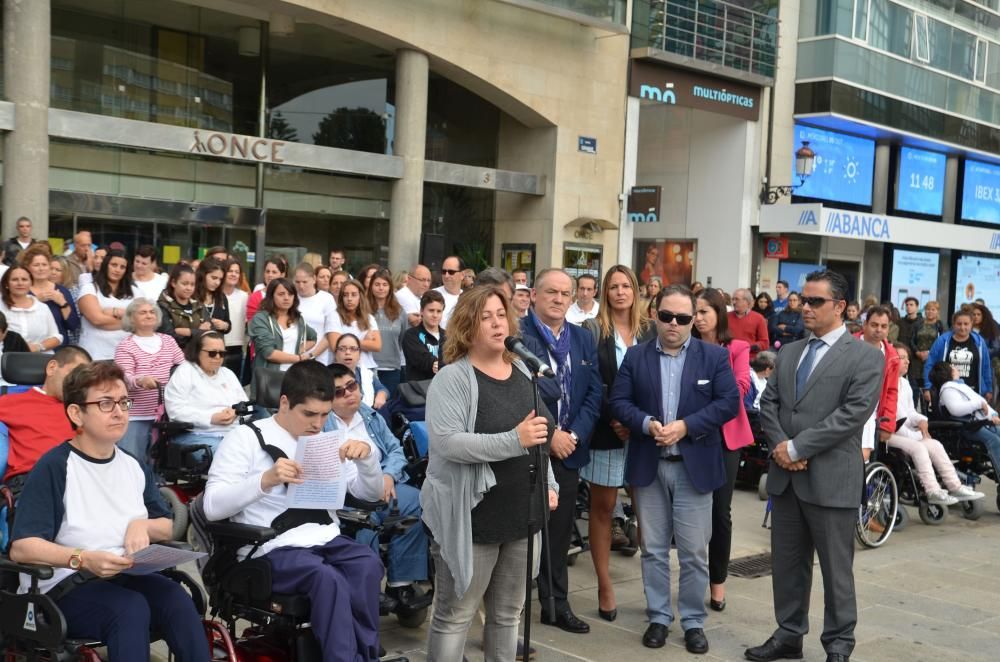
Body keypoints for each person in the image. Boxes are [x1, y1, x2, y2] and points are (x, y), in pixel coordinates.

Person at [8, 361, 209, 662]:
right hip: (64, 585)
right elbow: (22, 549)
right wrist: (83, 558)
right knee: (128, 608)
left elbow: (167, 526)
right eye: (105, 403)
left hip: (123, 574)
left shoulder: (132, 464)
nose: (119, 412)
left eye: (123, 402)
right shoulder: (54, 467)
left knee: (175, 598)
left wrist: (142, 526)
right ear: (76, 413)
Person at [204, 360, 385, 661]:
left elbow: (371, 494)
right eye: (309, 414)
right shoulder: (245, 438)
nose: (317, 423)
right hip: (270, 547)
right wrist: (265, 480)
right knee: (326, 579)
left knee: (367, 563)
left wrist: (367, 460)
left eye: (325, 414)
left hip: (324, 539)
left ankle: (366, 656)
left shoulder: (328, 439)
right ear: (285, 402)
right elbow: (211, 507)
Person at [745, 269, 883, 662]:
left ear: (839, 307)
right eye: (804, 300)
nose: (805, 307)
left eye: (814, 301)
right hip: (787, 478)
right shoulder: (789, 351)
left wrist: (799, 446)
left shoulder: (865, 357)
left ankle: (839, 645)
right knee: (788, 566)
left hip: (832, 479)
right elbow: (768, 404)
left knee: (837, 572)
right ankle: (789, 635)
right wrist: (782, 447)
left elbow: (852, 414)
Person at [421, 285, 557, 661]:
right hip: (472, 517)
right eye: (486, 317)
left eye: (501, 315)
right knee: (455, 616)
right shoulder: (452, 379)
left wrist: (551, 482)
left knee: (507, 614)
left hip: (521, 513)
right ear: (466, 326)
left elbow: (541, 434)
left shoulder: (521, 372)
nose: (498, 324)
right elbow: (448, 443)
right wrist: (514, 440)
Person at [609, 285, 739, 654]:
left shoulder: (713, 357)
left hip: (693, 467)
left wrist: (686, 426)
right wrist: (647, 423)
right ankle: (659, 616)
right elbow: (618, 401)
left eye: (684, 318)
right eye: (667, 316)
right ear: (655, 313)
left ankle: (694, 621)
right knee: (651, 549)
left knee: (695, 551)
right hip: (649, 465)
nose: (674, 324)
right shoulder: (635, 357)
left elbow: (728, 403)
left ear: (693, 320)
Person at [521, 268, 602, 635]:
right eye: (550, 291)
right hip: (527, 448)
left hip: (569, 449)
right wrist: (551, 434)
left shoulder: (583, 339)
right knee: (521, 533)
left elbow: (594, 391)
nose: (558, 298)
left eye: (565, 293)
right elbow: (519, 393)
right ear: (534, 295)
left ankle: (556, 605)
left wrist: (574, 435)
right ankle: (513, 610)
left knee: (559, 533)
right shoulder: (517, 337)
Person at [322, 362, 430, 609]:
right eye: (339, 391)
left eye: (352, 386)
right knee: (364, 519)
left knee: (421, 502)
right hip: (345, 493)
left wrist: (389, 475)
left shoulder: (370, 416)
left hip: (383, 485)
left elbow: (395, 450)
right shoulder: (323, 423)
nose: (349, 393)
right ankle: (367, 586)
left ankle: (400, 584)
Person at [580, 265, 654, 621]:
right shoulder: (593, 330)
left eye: (626, 285)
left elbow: (659, 380)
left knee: (648, 508)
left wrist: (636, 419)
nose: (620, 292)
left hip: (643, 431)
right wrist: (617, 416)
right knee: (603, 508)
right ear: (604, 293)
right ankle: (604, 585)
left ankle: (653, 586)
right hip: (607, 429)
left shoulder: (650, 330)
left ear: (636, 290)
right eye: (613, 286)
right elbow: (589, 380)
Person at [691, 288, 754, 614]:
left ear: (719, 313)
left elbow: (741, 387)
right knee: (688, 512)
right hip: (689, 436)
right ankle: (691, 580)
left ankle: (718, 585)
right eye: (695, 312)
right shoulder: (684, 345)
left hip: (726, 438)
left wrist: (707, 384)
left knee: (720, 513)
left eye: (705, 312)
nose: (699, 318)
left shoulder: (737, 347)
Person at [889, 345, 983, 504]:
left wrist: (922, 420)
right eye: (901, 358)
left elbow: (910, 413)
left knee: (936, 445)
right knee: (919, 447)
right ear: (891, 360)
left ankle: (955, 487)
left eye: (907, 358)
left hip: (907, 433)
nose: (907, 362)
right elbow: (899, 419)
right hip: (889, 433)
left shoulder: (904, 384)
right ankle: (932, 490)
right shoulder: (887, 384)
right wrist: (919, 435)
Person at [0, 346, 91, 491]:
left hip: (82, 480)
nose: (77, 385)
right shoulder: (12, 402)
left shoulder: (84, 409)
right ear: (52, 368)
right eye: (73, 375)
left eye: (83, 381)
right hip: (34, 481)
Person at [114, 298, 185, 459]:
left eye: (152, 312)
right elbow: (124, 378)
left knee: (158, 464)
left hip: (166, 415)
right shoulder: (126, 346)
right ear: (131, 318)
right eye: (143, 312)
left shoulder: (168, 340)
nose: (149, 315)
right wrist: (140, 381)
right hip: (135, 415)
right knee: (132, 461)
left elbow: (184, 367)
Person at [164, 330, 246, 455]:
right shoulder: (185, 372)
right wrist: (211, 418)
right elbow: (175, 411)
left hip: (234, 433)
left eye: (222, 353)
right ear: (197, 351)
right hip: (197, 434)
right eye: (212, 353)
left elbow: (246, 405)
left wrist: (236, 412)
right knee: (231, 457)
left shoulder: (227, 373)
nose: (218, 357)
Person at [931, 361, 1000, 482]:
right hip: (966, 427)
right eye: (953, 367)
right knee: (993, 440)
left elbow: (982, 403)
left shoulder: (959, 386)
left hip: (978, 423)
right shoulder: (947, 389)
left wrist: (993, 415)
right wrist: (979, 405)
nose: (956, 368)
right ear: (948, 372)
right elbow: (956, 410)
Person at [248, 278, 318, 384]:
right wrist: (298, 358)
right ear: (271, 296)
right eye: (281, 294)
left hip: (293, 377)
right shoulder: (261, 318)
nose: (286, 298)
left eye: (290, 294)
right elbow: (268, 353)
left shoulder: (297, 318)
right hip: (269, 380)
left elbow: (313, 338)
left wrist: (296, 349)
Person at [855, 306, 900, 463]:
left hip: (870, 412)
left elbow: (892, 391)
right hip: (842, 407)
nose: (878, 330)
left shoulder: (892, 356)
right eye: (874, 325)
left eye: (883, 326)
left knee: (863, 456)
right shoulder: (848, 345)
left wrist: (887, 424)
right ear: (865, 324)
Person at [923, 308, 992, 402]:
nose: (962, 327)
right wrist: (927, 387)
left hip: (973, 392)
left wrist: (988, 389)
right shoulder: (942, 341)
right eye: (959, 324)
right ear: (954, 325)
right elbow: (930, 364)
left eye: (966, 324)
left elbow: (986, 367)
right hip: (947, 392)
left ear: (971, 324)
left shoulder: (979, 342)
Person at [76, 249, 134, 360]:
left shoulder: (136, 292)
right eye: (114, 265)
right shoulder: (89, 288)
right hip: (95, 355)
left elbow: (142, 321)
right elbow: (97, 320)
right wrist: (130, 320)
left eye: (122, 267)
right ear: (106, 265)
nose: (117, 270)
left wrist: (112, 312)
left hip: (126, 357)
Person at [22, 243, 80, 347]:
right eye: (36, 265)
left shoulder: (62, 291)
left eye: (44, 265)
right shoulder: (23, 290)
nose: (41, 268)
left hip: (59, 350)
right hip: (30, 348)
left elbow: (73, 325)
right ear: (28, 268)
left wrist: (63, 303)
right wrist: (35, 301)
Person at [0, 265, 63, 352]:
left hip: (38, 360)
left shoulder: (42, 308)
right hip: (5, 359)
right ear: (6, 284)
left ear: (31, 283)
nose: (20, 283)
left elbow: (56, 337)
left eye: (24, 279)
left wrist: (38, 347)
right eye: (15, 279)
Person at [157, 263, 210, 349]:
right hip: (174, 358)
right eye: (185, 284)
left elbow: (211, 330)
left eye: (192, 284)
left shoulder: (198, 305)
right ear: (173, 283)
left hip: (198, 357)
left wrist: (187, 332)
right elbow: (170, 338)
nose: (189, 288)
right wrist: (199, 332)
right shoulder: (162, 306)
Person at [331, 279, 381, 370]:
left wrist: (346, 343)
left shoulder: (369, 318)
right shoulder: (334, 316)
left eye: (354, 295)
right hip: (345, 369)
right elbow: (335, 345)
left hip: (368, 368)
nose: (349, 299)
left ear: (360, 297)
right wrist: (364, 341)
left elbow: (377, 345)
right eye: (345, 295)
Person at [368, 268, 405, 393]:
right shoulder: (363, 310)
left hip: (391, 368)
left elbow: (402, 339)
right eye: (377, 284)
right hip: (367, 366)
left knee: (387, 408)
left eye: (385, 285)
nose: (381, 288)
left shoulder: (399, 311)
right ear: (371, 287)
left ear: (390, 287)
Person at [293, 262, 336, 364]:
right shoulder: (291, 298)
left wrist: (312, 355)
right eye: (297, 282)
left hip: (320, 359)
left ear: (314, 279)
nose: (301, 286)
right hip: (294, 358)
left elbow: (330, 332)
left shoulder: (326, 298)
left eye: (305, 282)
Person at [333, 333, 389, 410]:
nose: (348, 352)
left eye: (353, 349)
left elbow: (382, 389)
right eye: (342, 349)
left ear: (359, 354)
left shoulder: (366, 374)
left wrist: (381, 395)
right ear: (335, 353)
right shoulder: (326, 375)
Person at [401, 290, 446, 383]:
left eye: (439, 311)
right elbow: (423, 360)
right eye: (431, 310)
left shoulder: (448, 336)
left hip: (444, 390)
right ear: (421, 311)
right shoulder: (411, 335)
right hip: (419, 391)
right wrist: (442, 365)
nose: (435, 315)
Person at [221, 258, 249, 379]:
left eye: (236, 272)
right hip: (218, 345)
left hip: (237, 347)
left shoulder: (244, 296)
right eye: (230, 271)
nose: (233, 274)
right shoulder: (215, 295)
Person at [911, 300, 944, 396]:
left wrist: (930, 353)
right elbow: (912, 340)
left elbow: (942, 342)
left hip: (933, 360)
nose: (930, 312)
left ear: (937, 311)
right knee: (915, 388)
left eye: (933, 309)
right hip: (917, 360)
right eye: (928, 309)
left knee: (930, 386)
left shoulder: (940, 325)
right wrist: (917, 352)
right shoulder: (918, 324)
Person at [195, 257, 232, 339]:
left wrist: (224, 325)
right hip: (195, 345)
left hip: (216, 346)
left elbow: (228, 323)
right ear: (203, 274)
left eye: (220, 279)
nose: (217, 283)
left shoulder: (221, 297)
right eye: (214, 278)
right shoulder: (192, 295)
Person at [728, 288, 769, 359]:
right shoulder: (726, 317)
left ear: (747, 301)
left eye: (737, 299)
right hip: (728, 358)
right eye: (733, 299)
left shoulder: (759, 318)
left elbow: (765, 343)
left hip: (749, 359)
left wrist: (749, 347)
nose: (734, 302)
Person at [246, 257, 287, 323]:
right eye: (267, 271)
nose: (270, 275)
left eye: (274, 272)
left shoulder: (288, 296)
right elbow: (251, 325)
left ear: (282, 275)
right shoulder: (255, 297)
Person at [435, 256, 465, 329]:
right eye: (444, 271)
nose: (446, 275)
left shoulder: (468, 298)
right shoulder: (432, 295)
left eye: (451, 272)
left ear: (462, 275)